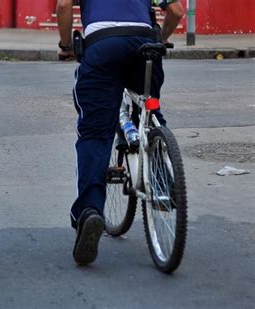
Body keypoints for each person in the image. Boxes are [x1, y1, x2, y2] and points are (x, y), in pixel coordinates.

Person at [56, 0, 184, 266]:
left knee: (94, 132)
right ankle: (161, 179)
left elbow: (64, 5)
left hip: (103, 45)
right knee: (149, 111)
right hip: (146, 42)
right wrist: (159, 41)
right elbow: (175, 11)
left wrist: (66, 45)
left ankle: (90, 210)